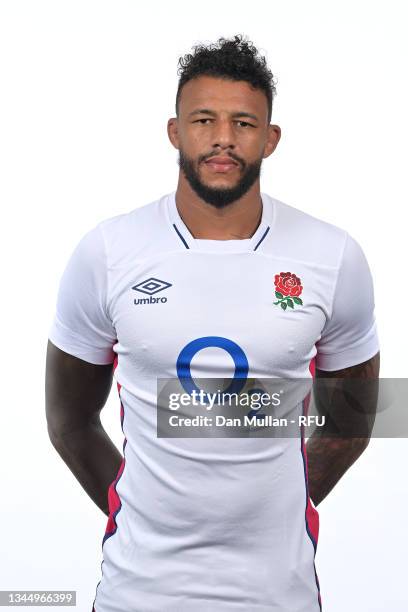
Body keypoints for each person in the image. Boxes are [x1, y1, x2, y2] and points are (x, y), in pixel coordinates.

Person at [45, 34, 380, 612]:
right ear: (175, 131)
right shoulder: (108, 252)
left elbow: (354, 418)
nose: (223, 138)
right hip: (138, 592)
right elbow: (68, 420)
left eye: (244, 123)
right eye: (204, 119)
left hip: (279, 595)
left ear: (270, 139)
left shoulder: (332, 256)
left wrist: (286, 502)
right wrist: (140, 511)